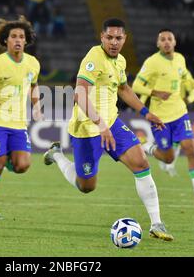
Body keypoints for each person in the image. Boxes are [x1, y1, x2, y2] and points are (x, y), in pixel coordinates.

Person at [43, 18, 174, 241]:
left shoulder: (120, 61)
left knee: (141, 163)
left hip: (111, 122)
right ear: (102, 37)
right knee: (86, 186)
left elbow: (123, 89)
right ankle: (56, 155)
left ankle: (156, 223)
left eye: (118, 38)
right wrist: (100, 125)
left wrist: (146, 113)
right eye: (109, 37)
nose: (114, 42)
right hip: (87, 127)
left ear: (125, 39)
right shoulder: (94, 57)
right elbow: (79, 94)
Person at [132, 28, 194, 208]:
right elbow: (136, 85)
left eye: (169, 39)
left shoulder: (180, 59)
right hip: (160, 118)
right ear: (158, 44)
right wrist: (154, 92)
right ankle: (146, 146)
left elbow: (188, 79)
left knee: (190, 148)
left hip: (180, 113)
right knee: (168, 158)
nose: (166, 42)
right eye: (162, 39)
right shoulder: (152, 62)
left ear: (175, 42)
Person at [0, 16, 41, 219]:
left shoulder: (33, 63)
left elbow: (33, 85)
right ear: (6, 40)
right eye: (13, 36)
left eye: (21, 36)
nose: (18, 40)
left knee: (22, 166)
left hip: (19, 123)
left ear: (26, 40)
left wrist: (37, 105)